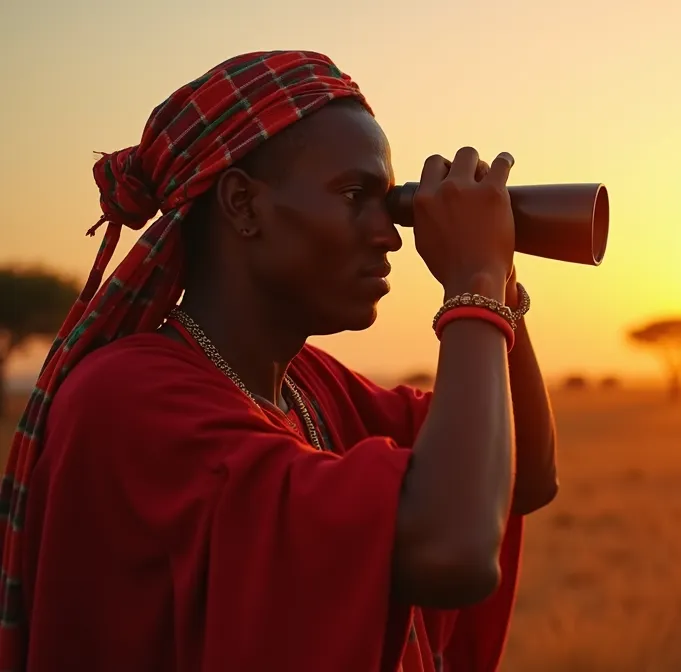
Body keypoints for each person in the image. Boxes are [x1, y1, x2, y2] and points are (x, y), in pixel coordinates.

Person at [0, 50, 559, 671]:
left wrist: (498, 277)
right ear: (242, 204)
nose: (391, 233)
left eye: (392, 201)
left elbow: (524, 476)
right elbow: (454, 547)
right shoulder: (128, 398)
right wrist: (471, 278)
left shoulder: (305, 385)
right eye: (355, 195)